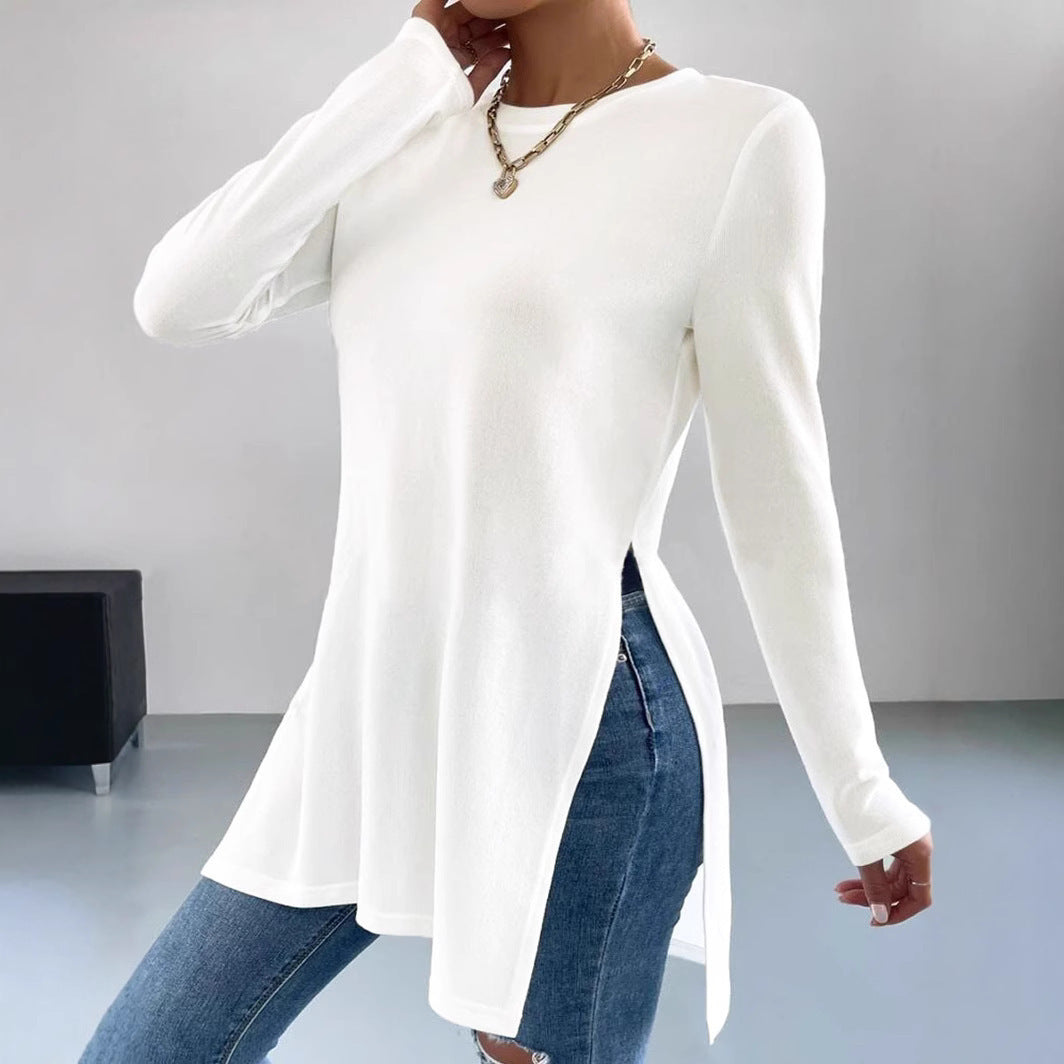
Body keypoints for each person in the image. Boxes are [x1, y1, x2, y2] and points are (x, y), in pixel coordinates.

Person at [80, 0, 933, 1061]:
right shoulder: (406, 135)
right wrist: (399, 82)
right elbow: (179, 299)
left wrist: (861, 792)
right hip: (370, 696)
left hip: (583, 718)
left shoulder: (740, 137)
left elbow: (776, 496)